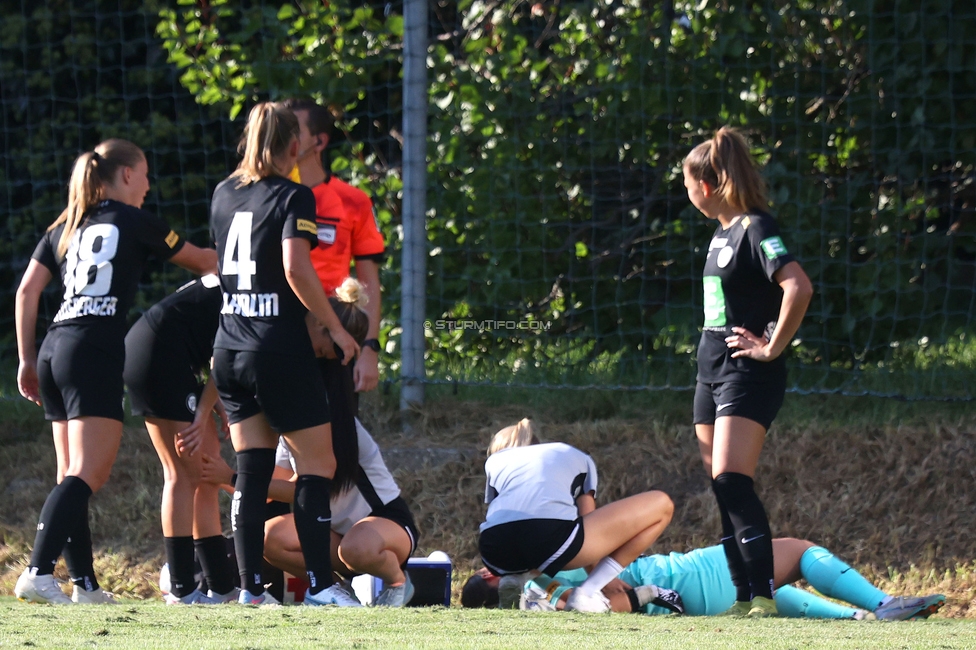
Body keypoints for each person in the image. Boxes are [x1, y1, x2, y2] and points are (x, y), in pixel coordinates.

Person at [14, 138, 217, 604]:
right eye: (145, 174)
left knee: (71, 474)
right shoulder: (135, 220)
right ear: (126, 174)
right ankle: (39, 571)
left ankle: (85, 584)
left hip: (53, 348)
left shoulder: (66, 224)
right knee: (89, 472)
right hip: (92, 350)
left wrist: (26, 359)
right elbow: (203, 262)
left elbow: (28, 292)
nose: (148, 185)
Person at [208, 101, 359, 606]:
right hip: (277, 346)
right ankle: (319, 586)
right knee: (317, 463)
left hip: (229, 345)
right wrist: (336, 329)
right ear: (295, 145)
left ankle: (250, 590)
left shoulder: (223, 192)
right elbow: (295, 268)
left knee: (250, 466)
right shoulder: (296, 195)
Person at [201, 278, 418, 607]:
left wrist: (228, 477)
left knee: (355, 548)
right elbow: (278, 483)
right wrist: (233, 476)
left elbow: (303, 488)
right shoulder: (298, 417)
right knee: (271, 537)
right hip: (336, 536)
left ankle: (398, 582)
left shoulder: (336, 425)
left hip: (385, 527)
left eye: (325, 355)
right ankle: (335, 591)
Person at [682, 127, 814, 617]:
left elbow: (797, 286)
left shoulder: (758, 227)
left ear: (709, 184)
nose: (688, 193)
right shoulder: (722, 232)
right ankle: (743, 598)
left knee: (733, 480)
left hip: (746, 372)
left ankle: (763, 594)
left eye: (689, 184)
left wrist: (772, 346)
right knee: (722, 487)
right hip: (709, 372)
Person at [463, 538, 946, 621]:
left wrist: (648, 597)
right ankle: (883, 603)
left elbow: (611, 601)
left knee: (773, 594)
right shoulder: (546, 569)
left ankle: (859, 618)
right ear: (490, 575)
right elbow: (617, 597)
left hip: (690, 599)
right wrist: (649, 591)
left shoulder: (538, 596)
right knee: (799, 553)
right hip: (693, 576)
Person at [123, 274, 239, 604]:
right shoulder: (251, 283)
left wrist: (211, 402)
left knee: (204, 470)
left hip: (163, 353)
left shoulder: (234, 275)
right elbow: (226, 356)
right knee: (181, 472)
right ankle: (182, 589)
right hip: (159, 356)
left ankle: (220, 586)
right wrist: (204, 411)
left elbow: (206, 341)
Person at [479, 419, 676, 613]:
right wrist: (602, 580)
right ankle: (587, 593)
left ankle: (514, 578)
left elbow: (500, 516)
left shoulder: (495, 462)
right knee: (662, 504)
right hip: (549, 540)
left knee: (524, 538)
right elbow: (589, 520)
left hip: (493, 551)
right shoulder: (573, 455)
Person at [282, 98, 385, 398]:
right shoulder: (266, 195)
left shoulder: (352, 200)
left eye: (293, 129)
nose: (283, 137)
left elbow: (368, 283)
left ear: (319, 141)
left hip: (332, 338)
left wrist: (369, 348)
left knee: (338, 439)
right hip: (275, 333)